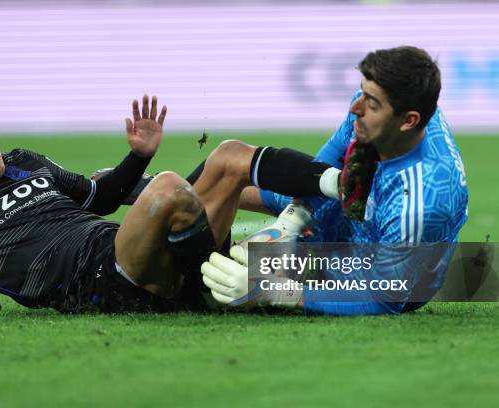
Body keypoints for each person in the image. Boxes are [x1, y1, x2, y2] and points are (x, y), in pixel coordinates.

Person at [0, 83, 274, 313]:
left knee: (228, 157)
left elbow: (100, 199)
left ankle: (328, 199)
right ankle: (223, 288)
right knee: (171, 189)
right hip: (100, 282)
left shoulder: (24, 162)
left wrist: (138, 156)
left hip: (128, 252)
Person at [200, 46, 469, 315]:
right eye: (362, 92)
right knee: (230, 164)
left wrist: (273, 292)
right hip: (353, 200)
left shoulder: (421, 205)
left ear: (409, 122)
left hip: (368, 267)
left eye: (371, 103)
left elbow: (385, 298)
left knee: (229, 283)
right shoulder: (392, 109)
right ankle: (180, 213)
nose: (355, 106)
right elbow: (322, 167)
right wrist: (291, 221)